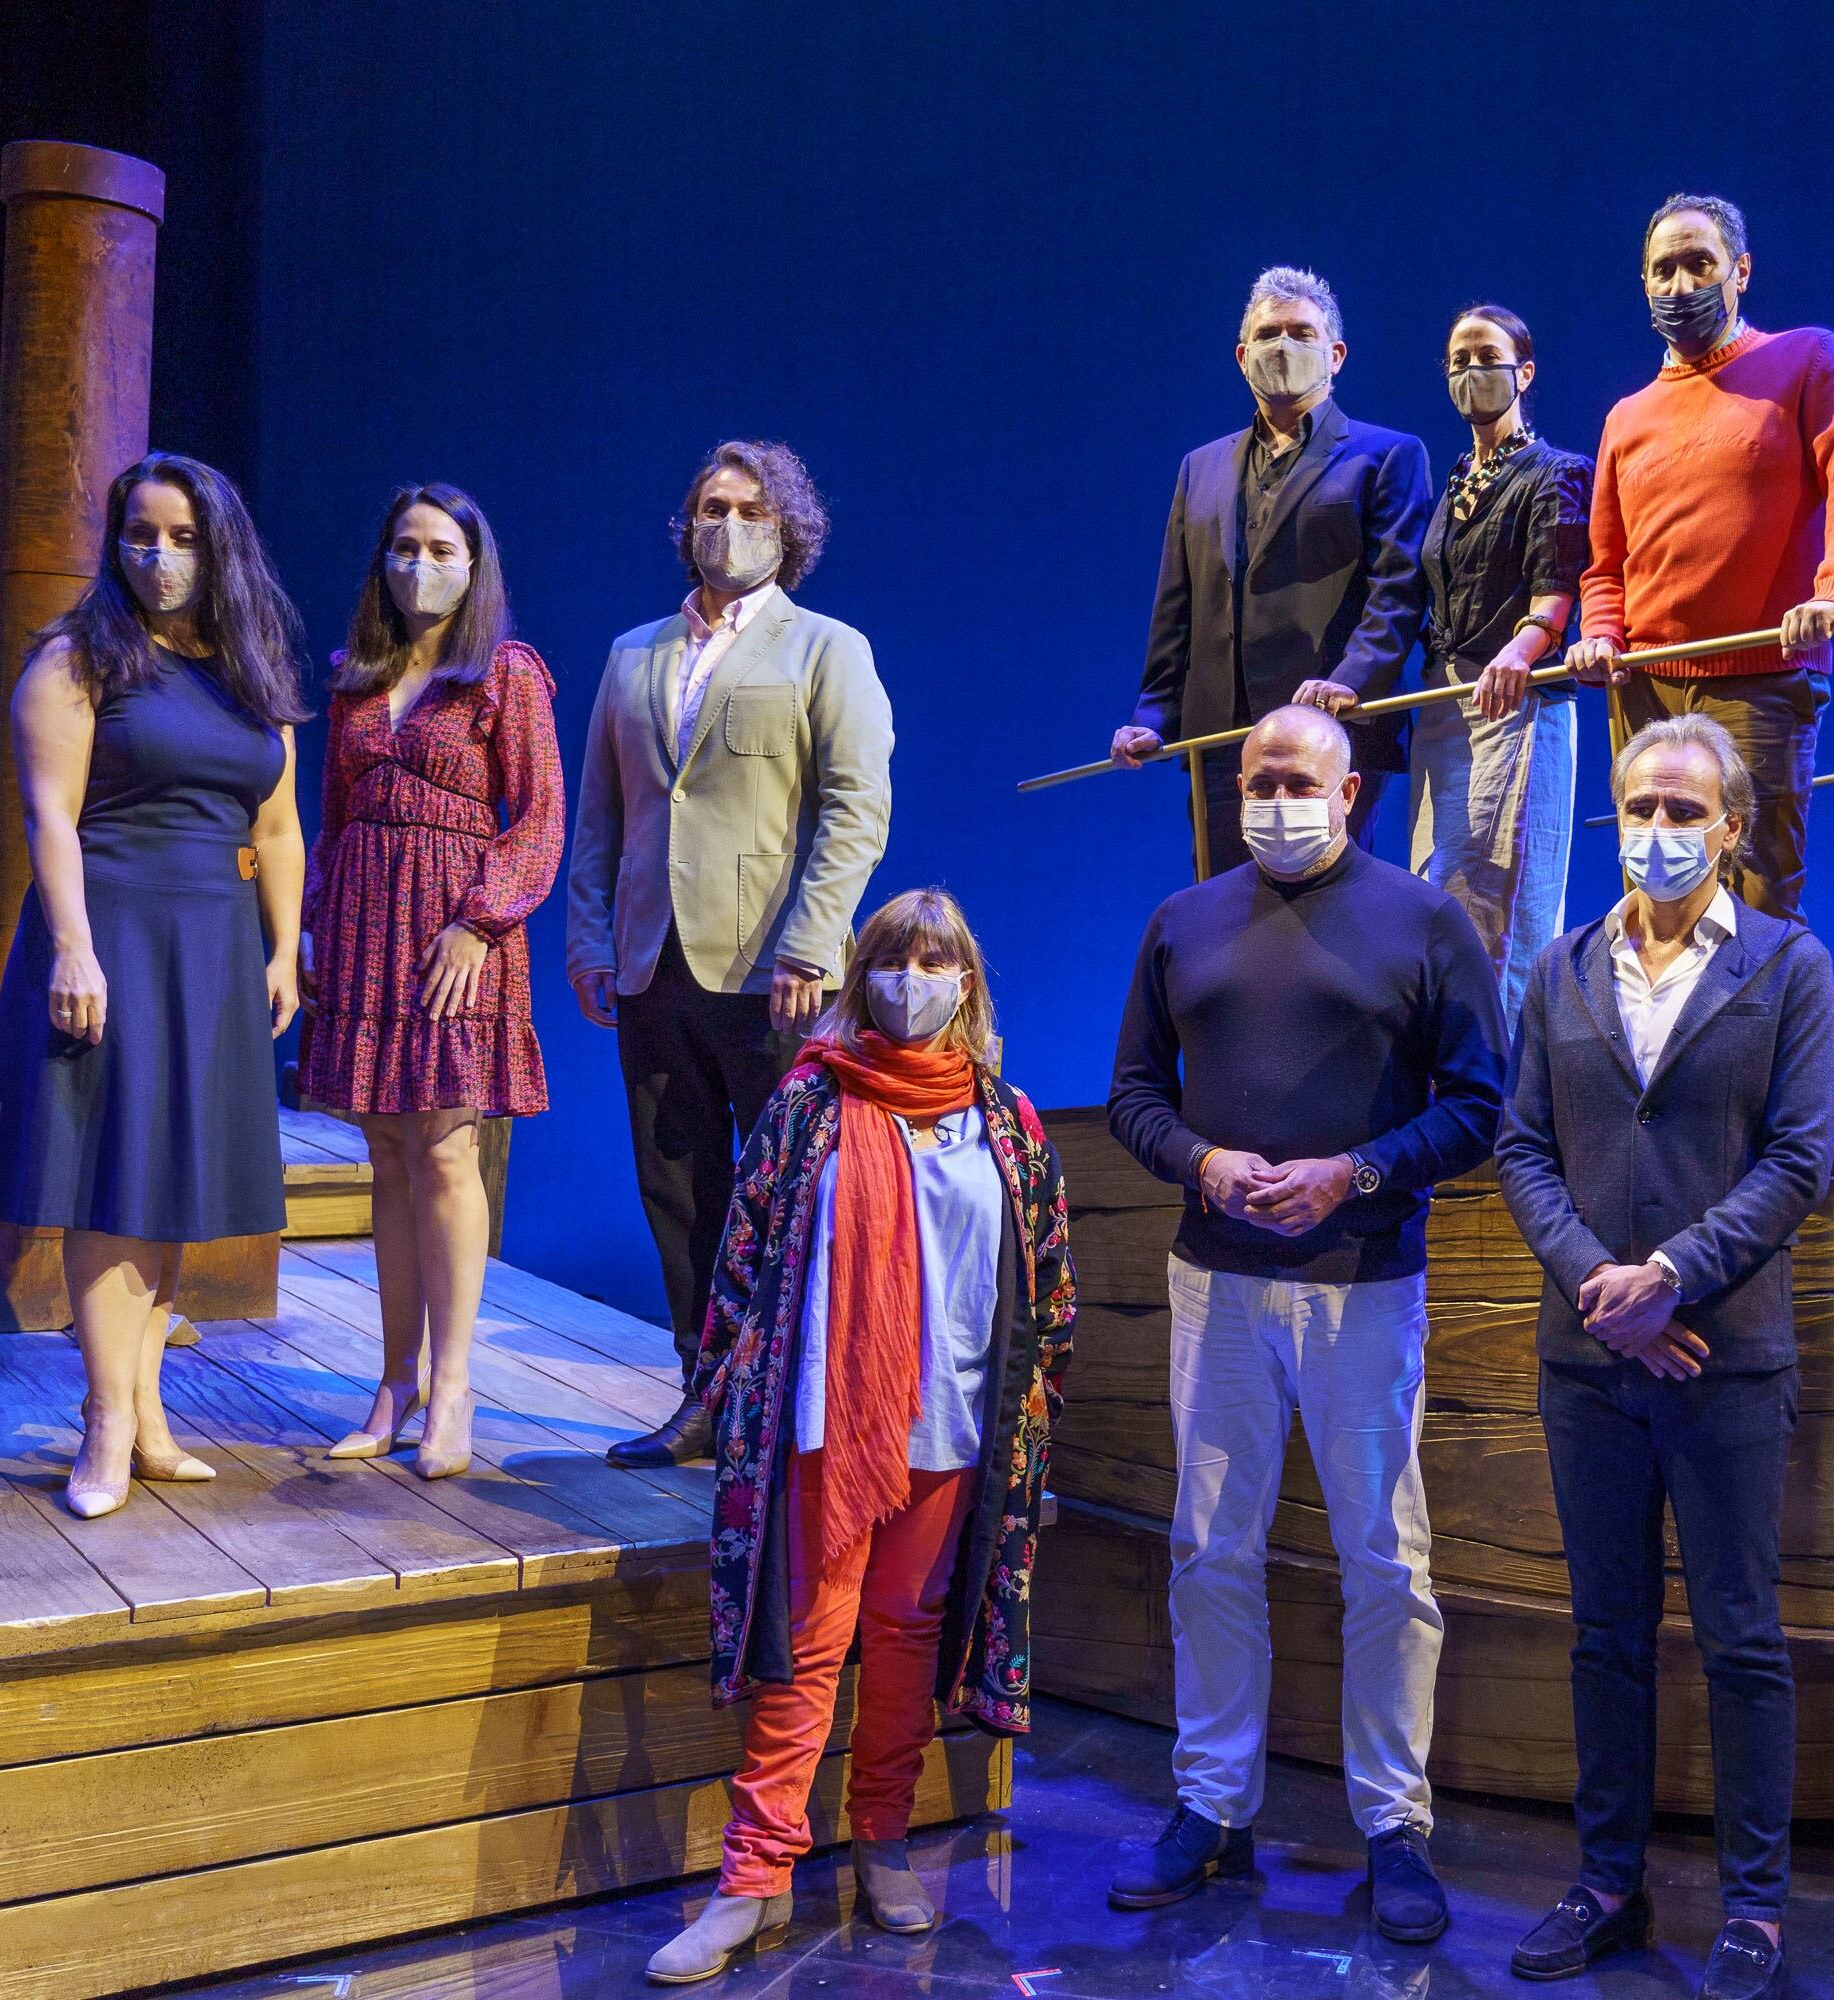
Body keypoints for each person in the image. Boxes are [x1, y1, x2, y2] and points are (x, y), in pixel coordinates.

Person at [1102, 705, 1504, 1944]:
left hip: (1365, 1281)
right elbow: (1133, 1095)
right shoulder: (1183, 920)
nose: (1274, 799)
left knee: (1386, 1560)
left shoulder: (1424, 919)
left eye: (1297, 780)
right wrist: (1203, 1160)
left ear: (1349, 792)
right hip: (1215, 1279)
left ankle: (1394, 1823)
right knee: (1210, 1549)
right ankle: (1213, 1804)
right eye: (1256, 781)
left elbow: (1480, 1104)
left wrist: (1356, 1172)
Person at [643, 891, 1076, 1985]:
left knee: (906, 1637)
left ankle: (882, 1838)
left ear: (966, 983)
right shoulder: (810, 1102)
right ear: (859, 974)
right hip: (825, 1420)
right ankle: (754, 1874)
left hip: (952, 1424)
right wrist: (730, 1392)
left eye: (933, 962)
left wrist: (1034, 1415)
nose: (910, 980)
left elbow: (1048, 1284)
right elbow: (741, 1257)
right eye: (891, 960)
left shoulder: (1009, 1122)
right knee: (806, 1644)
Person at [1494, 714, 1834, 1997]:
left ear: (1732, 828)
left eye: (1684, 810)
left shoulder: (1789, 964)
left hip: (1725, 1359)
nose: (1657, 829)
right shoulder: (1562, 967)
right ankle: (1607, 1884)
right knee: (1607, 1636)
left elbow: (1799, 1158)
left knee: (1741, 1638)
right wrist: (1601, 1283)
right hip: (1588, 1361)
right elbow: (1523, 1144)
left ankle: (1754, 1907)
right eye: (1640, 805)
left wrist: (1673, 1276)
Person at [0, 453, 311, 1520]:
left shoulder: (248, 667)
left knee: (172, 1186)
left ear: (221, 547)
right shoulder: (78, 658)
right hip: (113, 931)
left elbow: (279, 827)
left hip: (212, 944)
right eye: (140, 535)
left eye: (183, 538)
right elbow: (50, 816)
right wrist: (72, 948)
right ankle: (107, 1420)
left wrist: (282, 949)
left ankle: (150, 1412)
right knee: (116, 1181)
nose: (159, 556)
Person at [565, 441, 896, 1467]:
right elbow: (600, 815)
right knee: (680, 1189)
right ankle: (705, 1397)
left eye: (752, 510)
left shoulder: (826, 648)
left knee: (792, 1194)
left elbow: (856, 809)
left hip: (773, 970)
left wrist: (811, 943)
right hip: (652, 960)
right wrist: (589, 939)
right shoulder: (634, 654)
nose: (729, 525)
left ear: (787, 530)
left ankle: (800, 1406)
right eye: (713, 506)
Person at [299, 483, 563, 1481]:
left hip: (455, 936)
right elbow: (332, 816)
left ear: (473, 563)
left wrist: (479, 922)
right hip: (365, 926)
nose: (421, 565)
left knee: (448, 1152)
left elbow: (539, 816)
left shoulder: (505, 673)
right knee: (387, 1155)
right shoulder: (355, 677)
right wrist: (315, 923)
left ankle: (452, 1385)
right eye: (405, 547)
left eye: (442, 549)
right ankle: (394, 1380)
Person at [1566, 195, 1834, 924]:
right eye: (1664, 270)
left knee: (1759, 892)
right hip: (1645, 689)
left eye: (1699, 264)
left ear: (1740, 271)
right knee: (1653, 896)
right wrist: (1601, 634)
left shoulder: (1805, 357)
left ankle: (1768, 1008)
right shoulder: (1626, 416)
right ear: (1644, 284)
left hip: (1761, 675)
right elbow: (1604, 560)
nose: (1681, 285)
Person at [1111, 266, 1433, 874]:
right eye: (1267, 334)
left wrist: (1352, 680)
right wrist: (1151, 716)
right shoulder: (1200, 467)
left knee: (1327, 902)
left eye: (1301, 333)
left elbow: (1398, 590)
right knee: (1225, 908)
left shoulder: (1388, 454)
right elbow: (1176, 607)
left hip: (1332, 729)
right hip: (1223, 742)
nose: (1282, 346)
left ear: (1336, 355)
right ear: (1242, 356)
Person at [1411, 303, 1591, 1026]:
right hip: (1442, 708)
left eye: (1488, 357)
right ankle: (1447, 1069)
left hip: (1513, 702)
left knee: (1502, 905)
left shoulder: (1555, 473)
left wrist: (1521, 650)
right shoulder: (1454, 482)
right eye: (1458, 361)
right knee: (1437, 891)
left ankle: (1504, 1074)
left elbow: (1557, 588)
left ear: (1525, 371)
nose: (1471, 372)